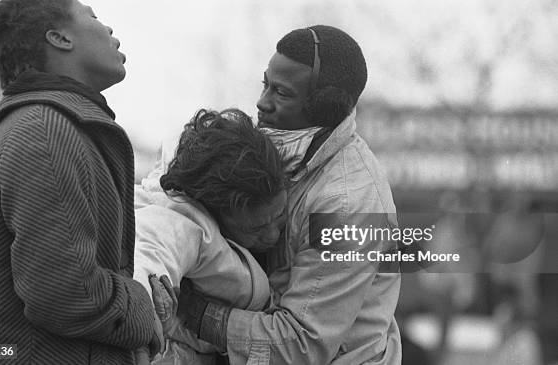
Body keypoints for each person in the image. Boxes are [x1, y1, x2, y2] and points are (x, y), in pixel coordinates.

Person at [170, 25, 402, 364]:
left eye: (281, 92)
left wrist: (194, 311)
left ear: (325, 108)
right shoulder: (271, 148)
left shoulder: (348, 206)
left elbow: (300, 345)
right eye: (265, 84)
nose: (262, 102)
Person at [0, 0, 160, 363]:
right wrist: (143, 309)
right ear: (59, 38)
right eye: (94, 17)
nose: (108, 29)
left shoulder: (49, 125)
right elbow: (67, 292)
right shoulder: (45, 130)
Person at [133, 108, 287, 364]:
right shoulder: (182, 220)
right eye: (255, 230)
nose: (272, 235)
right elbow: (147, 255)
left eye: (280, 216)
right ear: (214, 211)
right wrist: (139, 325)